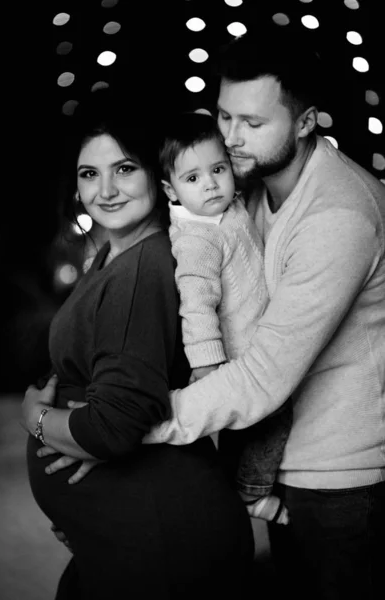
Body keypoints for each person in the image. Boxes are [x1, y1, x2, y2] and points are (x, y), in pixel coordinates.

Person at [142, 31, 385, 600]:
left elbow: (262, 377)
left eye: (252, 123)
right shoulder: (242, 192)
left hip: (341, 485)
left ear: (305, 122)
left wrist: (130, 426)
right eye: (224, 116)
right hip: (284, 466)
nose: (229, 138)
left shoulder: (339, 216)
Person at [20, 93, 254, 599]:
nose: (104, 190)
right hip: (130, 532)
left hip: (161, 537)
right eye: (89, 173)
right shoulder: (111, 253)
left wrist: (36, 421)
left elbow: (112, 428)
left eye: (124, 168)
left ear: (157, 174)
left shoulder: (145, 268)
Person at [159, 110, 291, 524]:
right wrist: (208, 366)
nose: (211, 184)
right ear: (171, 189)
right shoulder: (196, 239)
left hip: (258, 333)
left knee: (245, 430)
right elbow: (195, 305)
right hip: (236, 357)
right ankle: (250, 492)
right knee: (268, 420)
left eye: (217, 169)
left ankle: (236, 485)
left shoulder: (227, 206)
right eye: (193, 179)